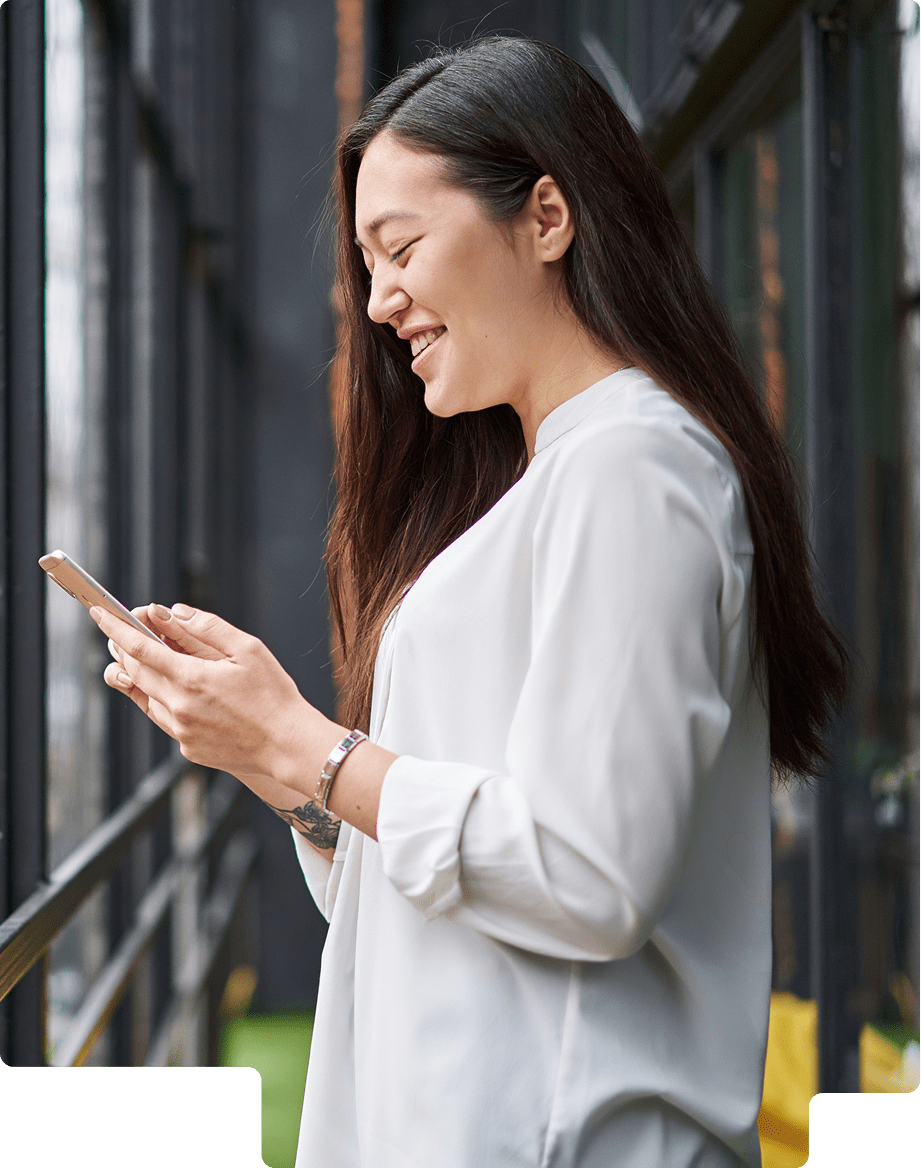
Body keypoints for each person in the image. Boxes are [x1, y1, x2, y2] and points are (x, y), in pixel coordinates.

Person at [95, 36, 847, 1168]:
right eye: (365, 264)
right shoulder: (557, 482)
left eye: (400, 248)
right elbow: (460, 901)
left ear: (548, 216)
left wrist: (315, 749)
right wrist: (278, 760)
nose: (381, 301)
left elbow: (588, 875)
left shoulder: (635, 467)